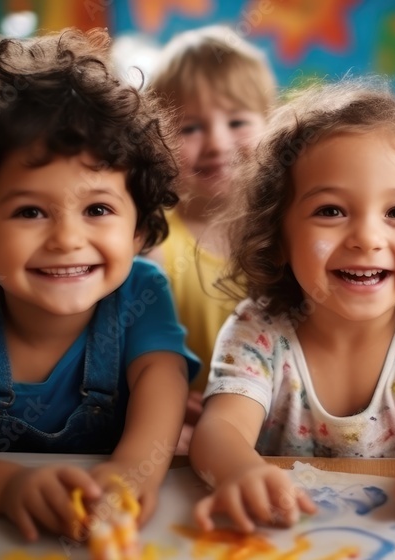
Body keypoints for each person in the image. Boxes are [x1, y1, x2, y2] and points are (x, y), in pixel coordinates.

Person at [0, 29, 200, 541]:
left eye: (97, 209)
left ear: (137, 230)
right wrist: (6, 489)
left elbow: (163, 378)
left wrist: (131, 475)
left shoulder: (141, 293)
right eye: (29, 211)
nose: (68, 239)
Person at [189, 83, 395, 533]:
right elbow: (220, 430)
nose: (367, 238)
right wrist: (239, 472)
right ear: (278, 237)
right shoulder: (259, 329)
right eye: (331, 211)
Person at [146, 25, 275, 391]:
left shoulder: (286, 229)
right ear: (159, 140)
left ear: (270, 126)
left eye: (237, 122)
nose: (217, 144)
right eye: (190, 128)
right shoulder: (154, 243)